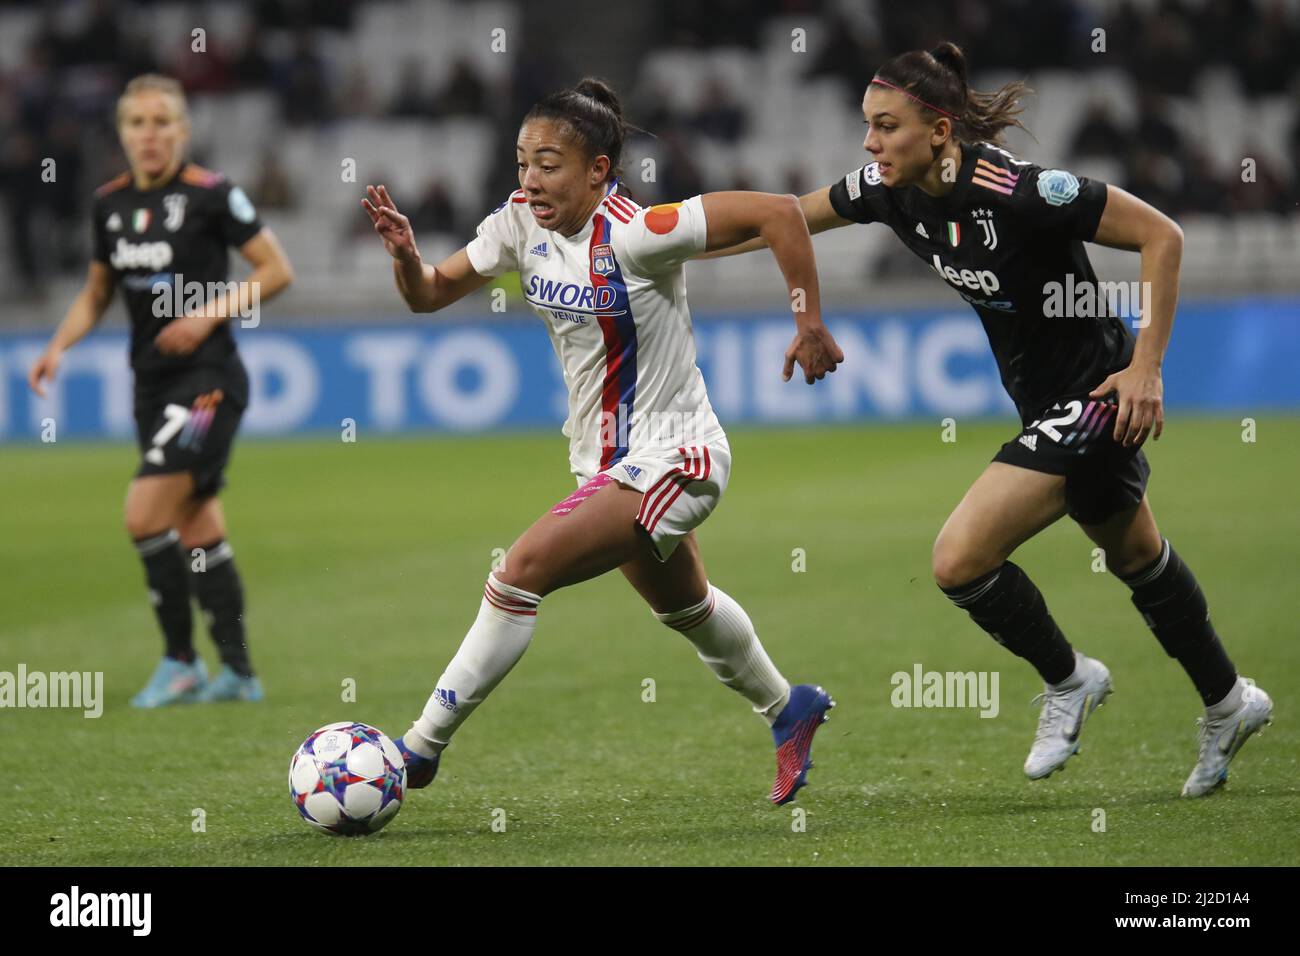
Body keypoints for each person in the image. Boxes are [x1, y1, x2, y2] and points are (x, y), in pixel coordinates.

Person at [706, 43, 1272, 797]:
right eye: (867, 127)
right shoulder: (885, 189)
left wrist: (1146, 368)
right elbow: (780, 219)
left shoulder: (1025, 191)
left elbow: (1161, 234)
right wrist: (667, 247)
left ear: (939, 129)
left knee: (958, 558)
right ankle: (1229, 702)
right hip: (1043, 402)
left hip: (1100, 394)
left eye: (886, 126)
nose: (870, 145)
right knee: (1139, 558)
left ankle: (1070, 680)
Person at [362, 77, 845, 804]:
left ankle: (418, 749)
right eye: (522, 161)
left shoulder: (639, 233)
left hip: (678, 454)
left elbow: (780, 214)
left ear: (597, 171)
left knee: (519, 569)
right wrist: (406, 254)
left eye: (549, 163)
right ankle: (788, 707)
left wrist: (806, 321)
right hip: (604, 463)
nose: (530, 178)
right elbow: (429, 293)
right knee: (686, 607)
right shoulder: (519, 223)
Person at [27, 74, 295, 707]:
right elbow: (97, 293)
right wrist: (57, 346)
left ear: (183, 130)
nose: (149, 135)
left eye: (161, 122)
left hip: (208, 385)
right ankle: (238, 672)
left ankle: (180, 662)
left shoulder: (212, 196)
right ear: (121, 134)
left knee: (144, 514)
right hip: (151, 386)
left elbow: (277, 270)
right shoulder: (109, 206)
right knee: (198, 525)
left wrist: (208, 313)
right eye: (137, 124)